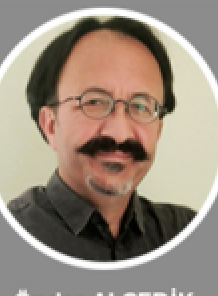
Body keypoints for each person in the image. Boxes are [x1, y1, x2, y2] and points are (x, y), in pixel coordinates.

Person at [11, 16, 195, 262]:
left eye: (140, 106)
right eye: (94, 102)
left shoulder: (185, 232)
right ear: (51, 126)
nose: (119, 133)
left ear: (158, 130)